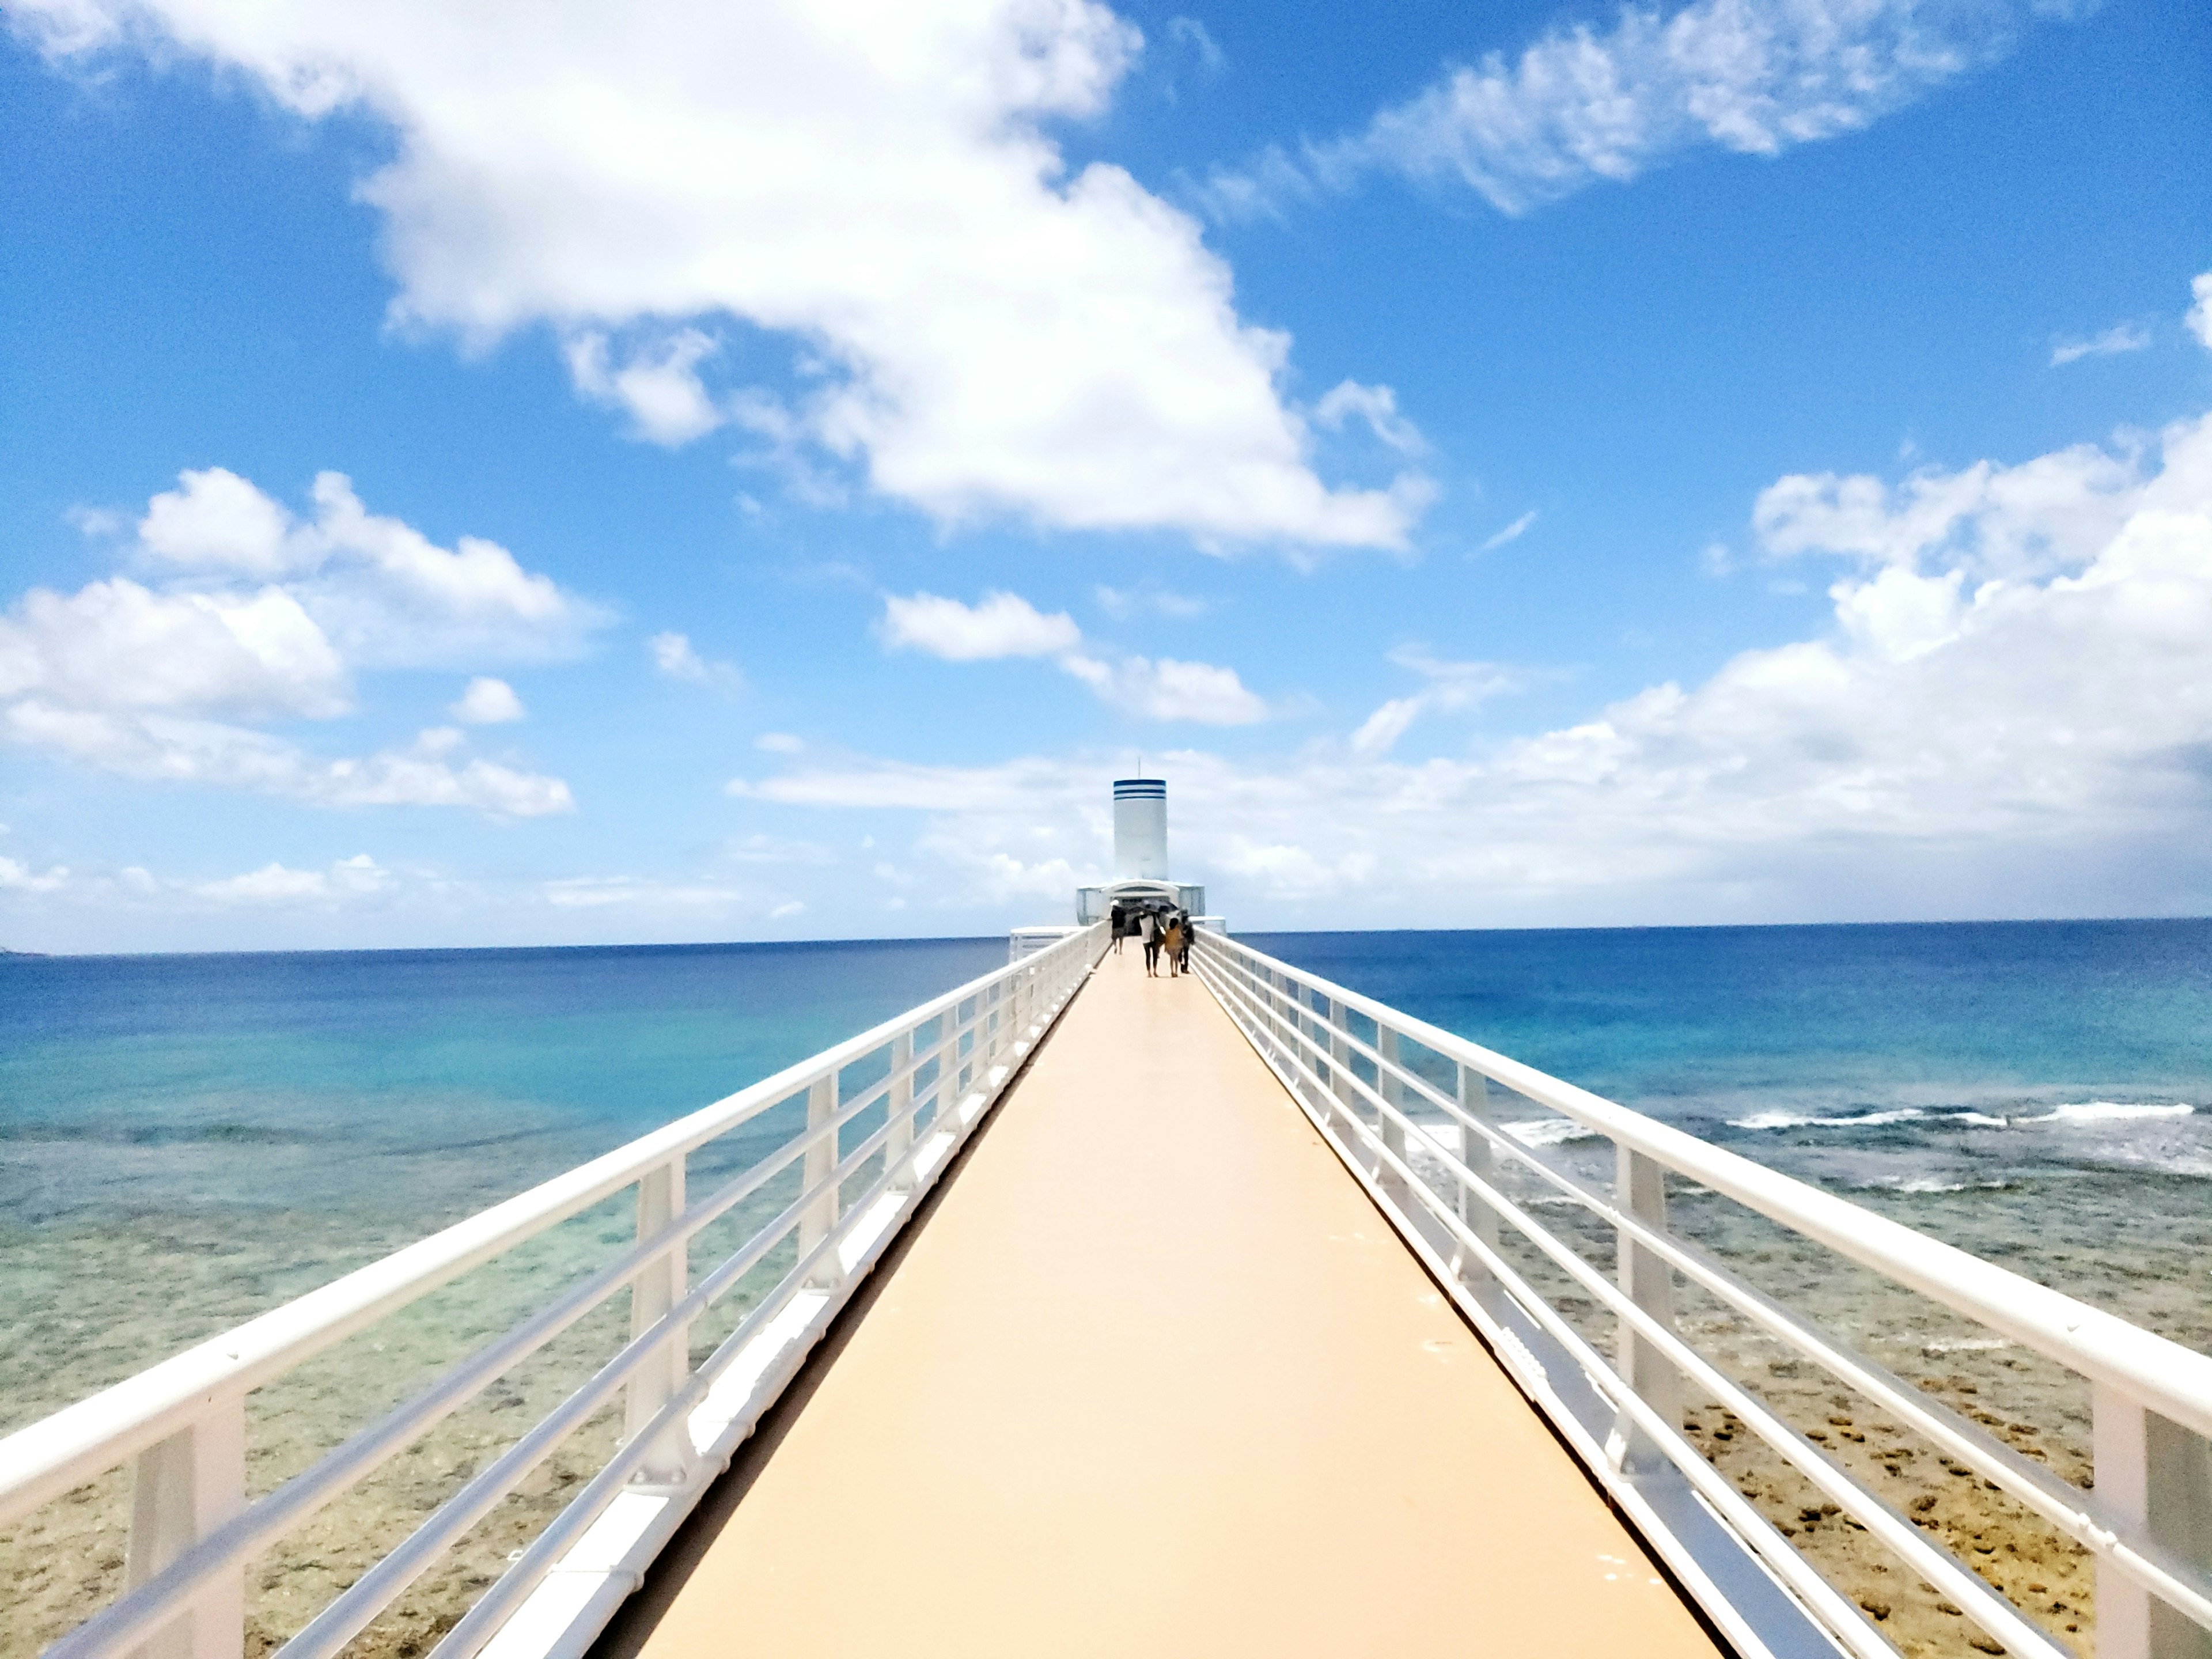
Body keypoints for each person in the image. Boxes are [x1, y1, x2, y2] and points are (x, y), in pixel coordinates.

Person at [1161, 912, 1184, 977]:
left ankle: (1172, 971)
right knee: (1176, 959)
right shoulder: (1178, 931)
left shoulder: (1167, 931)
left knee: (1171, 959)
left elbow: (1165, 939)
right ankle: (1176, 972)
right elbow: (1181, 938)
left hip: (1169, 946)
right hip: (1176, 946)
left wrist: (1165, 947)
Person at [1139, 909, 1158, 976]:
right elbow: (1156, 927)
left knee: (1148, 956)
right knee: (1155, 955)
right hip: (1153, 938)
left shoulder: (1141, 920)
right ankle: (1155, 971)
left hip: (1145, 939)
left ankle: (1149, 973)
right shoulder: (1152, 918)